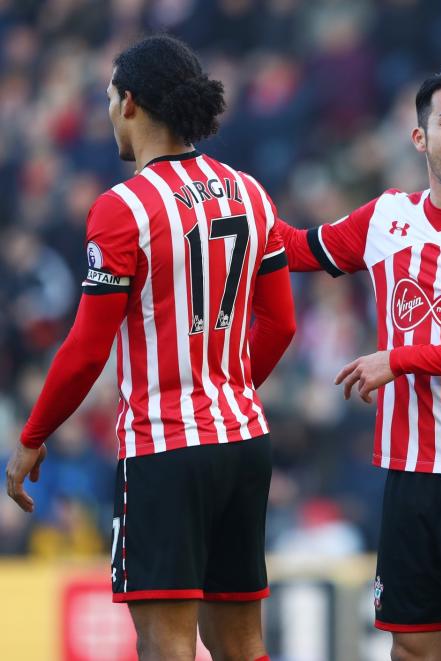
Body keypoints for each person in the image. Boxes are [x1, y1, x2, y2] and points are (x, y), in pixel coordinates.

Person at [5, 35, 296, 661]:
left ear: (129, 103)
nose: (108, 111)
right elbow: (282, 326)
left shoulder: (122, 208)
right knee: (243, 648)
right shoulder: (250, 192)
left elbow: (87, 349)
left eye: (110, 98)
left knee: (166, 648)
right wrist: (229, 389)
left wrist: (33, 435)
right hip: (244, 441)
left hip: (164, 450)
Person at [275, 65, 441, 661]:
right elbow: (296, 250)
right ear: (420, 137)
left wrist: (398, 360)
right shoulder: (385, 218)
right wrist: (232, 201)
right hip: (409, 474)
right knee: (414, 650)